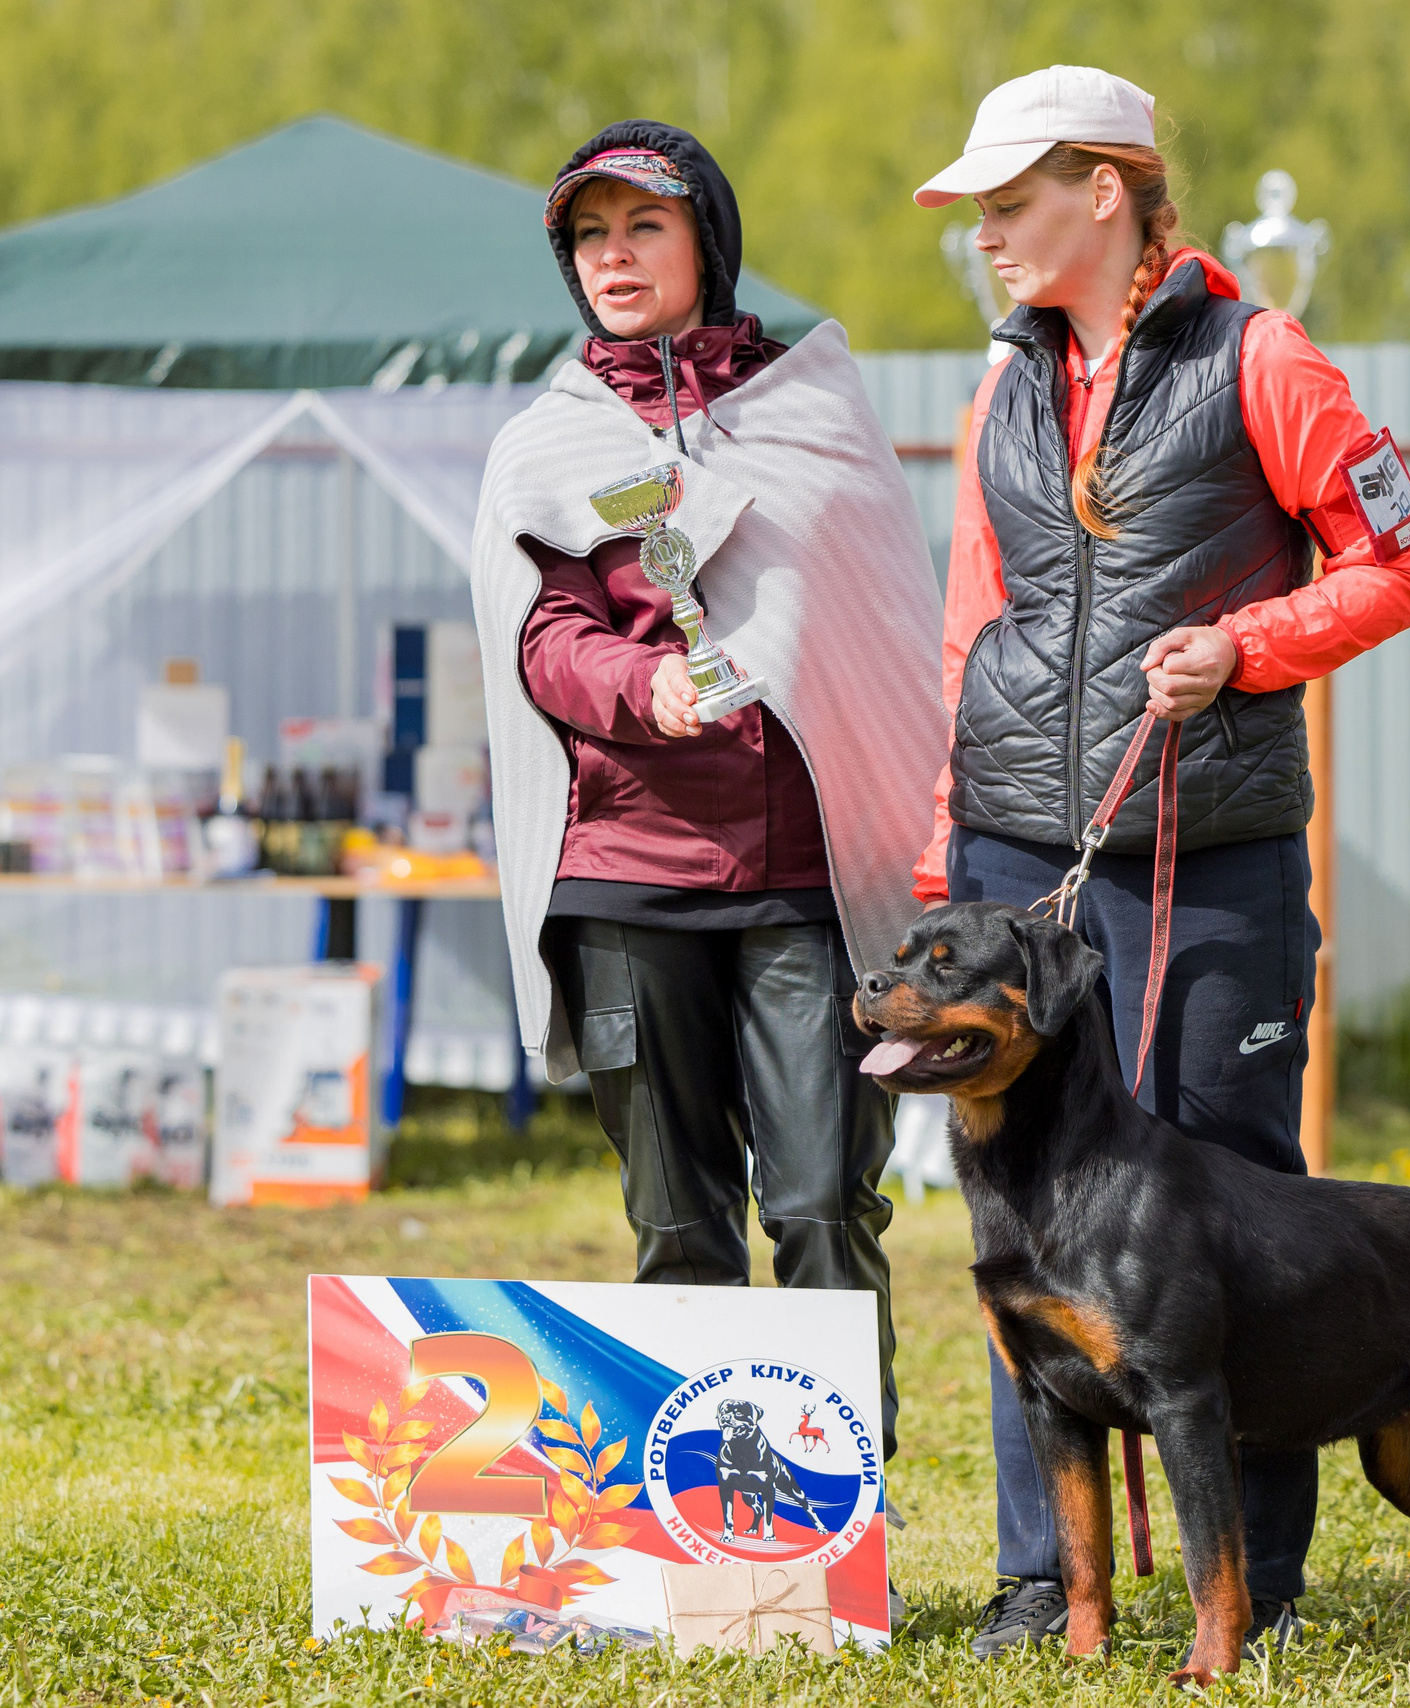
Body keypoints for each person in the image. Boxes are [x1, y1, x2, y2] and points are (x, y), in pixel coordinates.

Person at [910, 65, 1410, 1657]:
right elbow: (968, 630)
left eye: (1011, 203)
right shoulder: (996, 391)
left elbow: (1393, 563)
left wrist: (1248, 645)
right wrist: (951, 859)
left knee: (1237, 1198)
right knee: (1016, 1218)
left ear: (1109, 188)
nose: (988, 233)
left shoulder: (1263, 355)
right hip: (1019, 857)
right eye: (984, 209)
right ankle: (1034, 1582)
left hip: (1211, 856)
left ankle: (1253, 1594)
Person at [467, 121, 947, 1483]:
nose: (613, 258)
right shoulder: (547, 441)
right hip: (626, 873)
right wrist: (644, 687)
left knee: (822, 1208)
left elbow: (877, 629)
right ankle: (694, 1532)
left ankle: (840, 1533)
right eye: (589, 236)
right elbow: (541, 636)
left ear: (706, 244)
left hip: (807, 882)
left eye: (644, 229)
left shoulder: (813, 409)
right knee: (679, 1228)